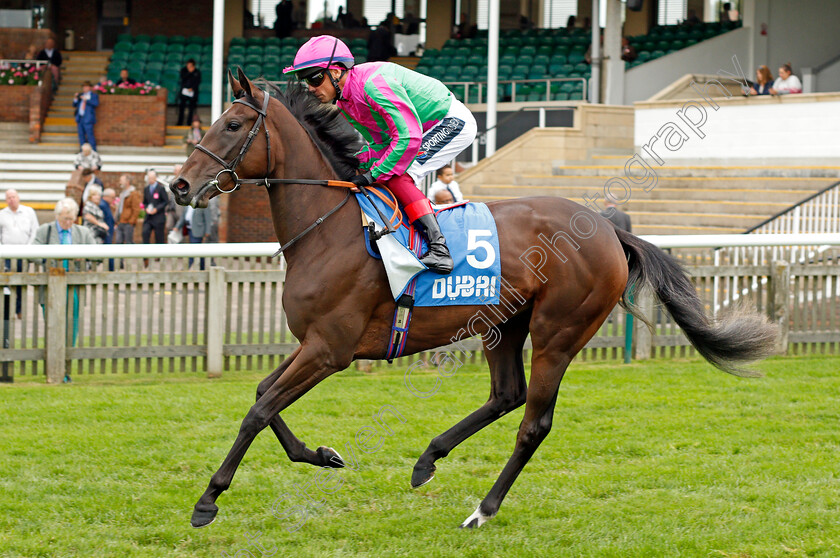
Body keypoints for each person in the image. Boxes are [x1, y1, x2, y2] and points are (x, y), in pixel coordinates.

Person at [284, 36, 480, 274]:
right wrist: (359, 163)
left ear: (336, 72)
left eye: (315, 78)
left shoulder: (372, 85)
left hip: (451, 122)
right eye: (305, 81)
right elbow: (380, 143)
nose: (311, 88)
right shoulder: (345, 102)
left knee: (400, 174)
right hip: (421, 129)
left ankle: (439, 249)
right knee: (375, 170)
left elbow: (408, 137)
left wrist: (373, 173)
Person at [34, 197, 97, 381]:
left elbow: (97, 256)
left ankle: (66, 371)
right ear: (57, 217)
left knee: (72, 328)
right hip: (51, 286)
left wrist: (83, 257)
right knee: (52, 326)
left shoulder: (83, 232)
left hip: (73, 286)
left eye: (71, 219)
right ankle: (52, 368)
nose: (68, 223)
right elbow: (33, 256)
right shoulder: (45, 231)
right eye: (64, 219)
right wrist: (50, 257)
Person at [0, 189, 39, 318]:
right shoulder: (2, 214)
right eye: (9, 197)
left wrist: (28, 248)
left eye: (14, 196)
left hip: (23, 253)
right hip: (7, 254)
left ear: (18, 197)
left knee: (21, 282)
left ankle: (19, 309)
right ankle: (8, 310)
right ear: (6, 200)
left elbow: (34, 231)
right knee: (7, 282)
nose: (12, 199)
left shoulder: (29, 212)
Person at [142, 170, 169, 244]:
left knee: (159, 237)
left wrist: (156, 209)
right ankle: (146, 254)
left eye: (151, 178)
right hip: (149, 217)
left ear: (155, 178)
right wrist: (146, 208)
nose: (150, 180)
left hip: (158, 217)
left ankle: (159, 255)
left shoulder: (161, 188)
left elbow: (165, 201)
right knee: (145, 232)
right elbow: (145, 202)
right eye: (149, 178)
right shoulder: (146, 189)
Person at [114, 174, 142, 245]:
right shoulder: (123, 193)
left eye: (122, 180)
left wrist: (131, 221)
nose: (120, 182)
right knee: (118, 241)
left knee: (129, 241)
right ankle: (121, 256)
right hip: (121, 221)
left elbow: (136, 209)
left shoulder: (133, 193)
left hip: (128, 222)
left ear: (127, 182)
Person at [73, 81, 99, 150]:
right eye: (84, 87)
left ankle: (93, 151)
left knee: (90, 135)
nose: (85, 88)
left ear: (90, 87)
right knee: (81, 136)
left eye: (86, 86)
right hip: (80, 118)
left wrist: (86, 100)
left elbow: (96, 104)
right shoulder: (81, 95)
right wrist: (76, 98)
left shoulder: (93, 95)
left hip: (88, 118)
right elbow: (74, 104)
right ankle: (82, 151)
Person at [177, 59, 201, 126]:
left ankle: (189, 123)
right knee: (182, 108)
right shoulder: (184, 70)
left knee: (191, 109)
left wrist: (192, 88)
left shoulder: (197, 72)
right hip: (184, 92)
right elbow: (182, 78)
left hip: (192, 93)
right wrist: (189, 73)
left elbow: (198, 81)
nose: (188, 66)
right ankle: (180, 122)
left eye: (190, 65)